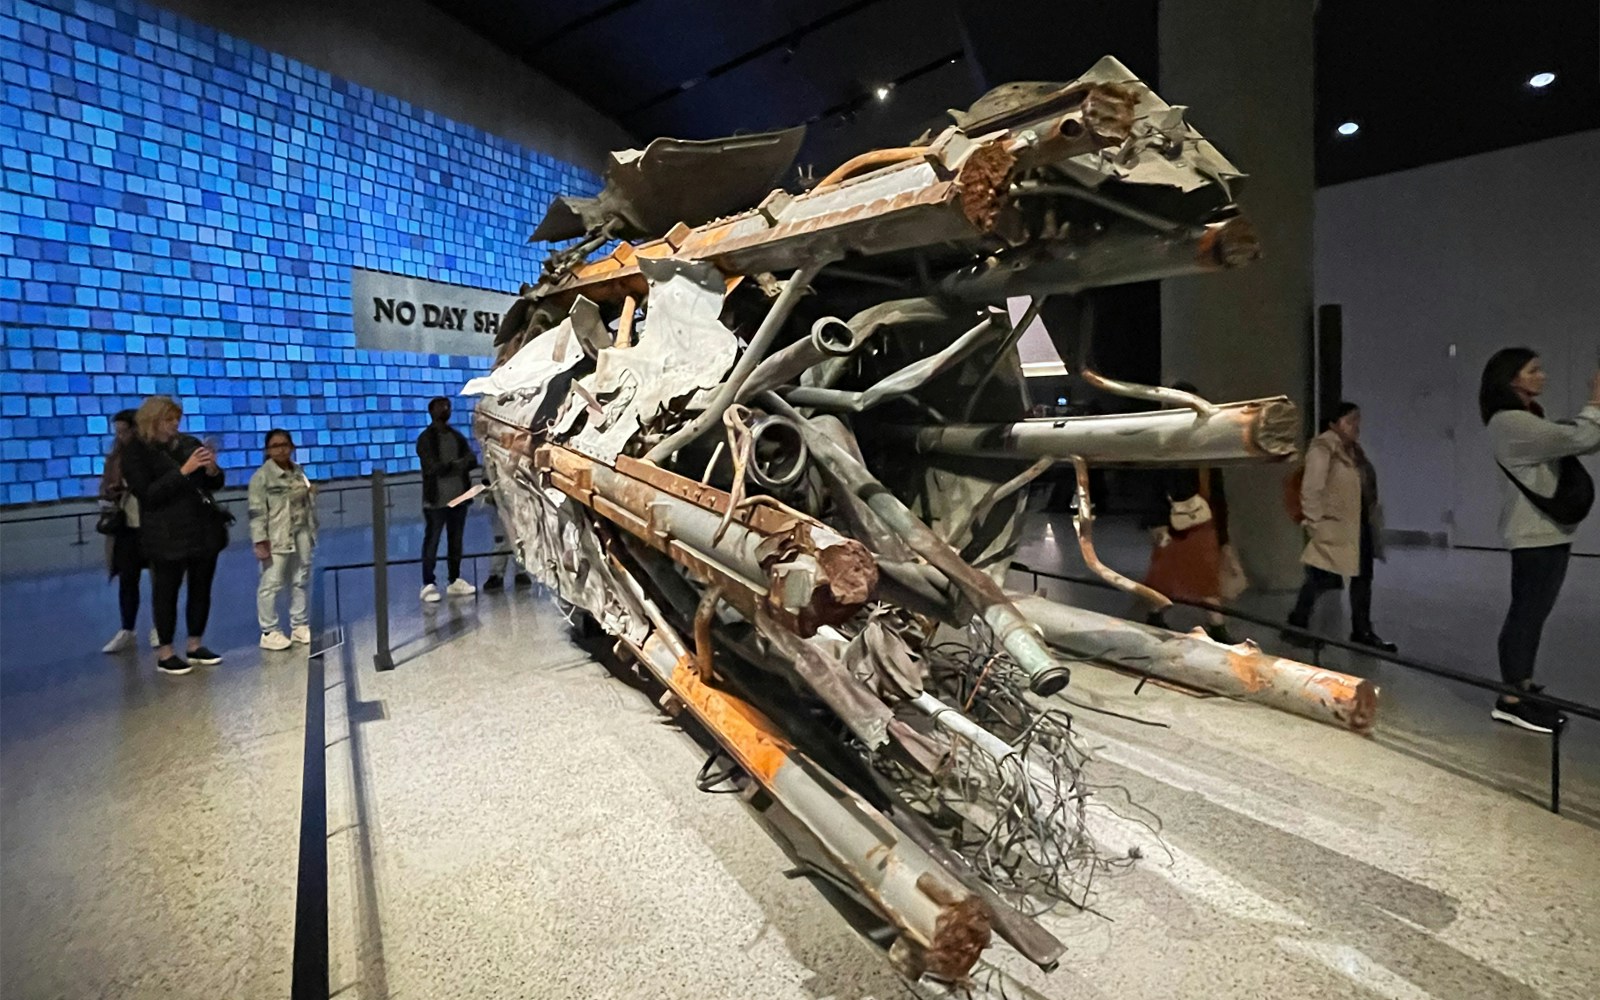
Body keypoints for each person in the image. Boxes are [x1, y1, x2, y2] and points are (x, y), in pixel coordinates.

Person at [1480, 349, 1600, 733]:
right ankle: (1511, 699)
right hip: (1533, 534)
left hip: (1546, 531)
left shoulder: (1525, 417)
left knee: (1534, 613)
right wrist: (1595, 403)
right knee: (1526, 614)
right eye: (1534, 371)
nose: (1542, 376)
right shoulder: (1510, 422)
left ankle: (1524, 687)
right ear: (1512, 379)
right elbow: (1579, 437)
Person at [119, 396, 228, 675]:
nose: (174, 425)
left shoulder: (188, 443)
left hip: (201, 529)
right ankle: (166, 650)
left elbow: (212, 484)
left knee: (201, 587)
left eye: (177, 419)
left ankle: (195, 644)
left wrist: (212, 468)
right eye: (168, 420)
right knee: (166, 591)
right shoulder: (136, 451)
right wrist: (184, 471)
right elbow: (149, 494)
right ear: (152, 420)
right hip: (166, 532)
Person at [1283, 401, 1395, 652]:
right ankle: (1296, 626)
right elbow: (1311, 488)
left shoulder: (1354, 451)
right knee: (1319, 578)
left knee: (1363, 577)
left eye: (1358, 420)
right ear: (1334, 423)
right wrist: (1315, 524)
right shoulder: (1324, 448)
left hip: (1359, 524)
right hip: (1334, 527)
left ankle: (1362, 630)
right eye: (1350, 420)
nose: (1356, 426)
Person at [1140, 464, 1239, 645]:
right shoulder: (1179, 455)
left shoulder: (1203, 459)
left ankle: (1215, 624)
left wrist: (1222, 535)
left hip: (1201, 521)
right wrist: (1156, 522)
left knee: (1203, 575)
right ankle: (1215, 626)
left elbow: (1217, 494)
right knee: (1167, 573)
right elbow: (1154, 486)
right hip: (1178, 521)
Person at [249, 429, 319, 650]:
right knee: (272, 582)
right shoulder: (261, 477)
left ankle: (299, 624)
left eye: (284, 445)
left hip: (301, 532)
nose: (281, 449)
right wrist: (260, 539)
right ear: (268, 450)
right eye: (275, 446)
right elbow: (257, 512)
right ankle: (269, 630)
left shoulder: (298, 471)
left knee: (301, 579)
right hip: (276, 536)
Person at [99, 409, 157, 653]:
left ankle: (159, 627)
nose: (121, 436)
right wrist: (113, 491)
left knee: (160, 578)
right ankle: (127, 629)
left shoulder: (153, 454)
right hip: (125, 526)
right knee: (127, 578)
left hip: (152, 523)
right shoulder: (115, 458)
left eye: (125, 431)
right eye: (118, 432)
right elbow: (103, 488)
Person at [416, 396, 479, 602]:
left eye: (448, 406)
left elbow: (471, 460)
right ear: (432, 410)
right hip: (436, 501)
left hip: (459, 498)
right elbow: (433, 467)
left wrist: (452, 465)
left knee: (456, 540)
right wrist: (456, 464)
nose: (446, 409)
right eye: (442, 406)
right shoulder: (426, 439)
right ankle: (428, 583)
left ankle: (454, 579)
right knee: (432, 540)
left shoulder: (457, 436)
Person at [481, 464, 531, 592]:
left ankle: (521, 570)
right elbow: (487, 475)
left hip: (517, 500)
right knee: (501, 540)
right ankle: (496, 573)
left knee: (519, 537)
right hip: (498, 501)